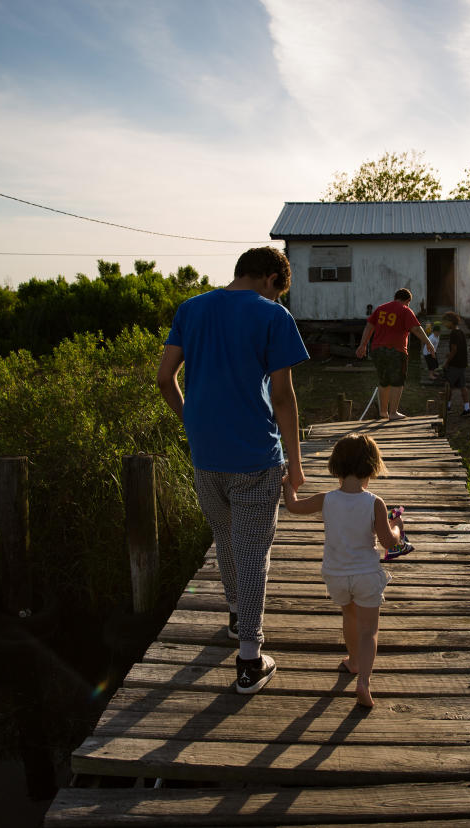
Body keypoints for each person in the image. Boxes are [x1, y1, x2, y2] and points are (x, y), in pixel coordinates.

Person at [156, 246, 309, 695]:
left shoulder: (192, 308)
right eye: (278, 292)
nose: (277, 300)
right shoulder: (273, 317)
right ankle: (249, 659)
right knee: (254, 550)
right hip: (256, 456)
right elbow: (283, 397)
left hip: (206, 455)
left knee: (226, 537)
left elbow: (165, 379)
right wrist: (296, 465)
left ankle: (235, 614)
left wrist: (191, 420)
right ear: (269, 279)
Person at [282, 433, 405, 707]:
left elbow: (293, 506)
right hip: (365, 576)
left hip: (336, 574)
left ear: (336, 466)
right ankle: (363, 682)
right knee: (369, 629)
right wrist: (397, 527)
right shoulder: (375, 503)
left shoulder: (326, 499)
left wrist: (288, 485)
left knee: (349, 616)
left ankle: (352, 662)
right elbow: (388, 542)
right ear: (371, 467)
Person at [356, 288, 435, 419]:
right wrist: (428, 343)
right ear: (407, 300)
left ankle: (383, 412)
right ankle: (393, 412)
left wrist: (363, 345)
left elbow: (369, 326)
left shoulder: (381, 308)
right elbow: (416, 329)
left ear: (395, 297)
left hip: (378, 350)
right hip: (396, 350)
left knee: (384, 381)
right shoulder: (405, 310)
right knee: (397, 381)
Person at [439, 311, 470, 417]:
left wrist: (446, 362)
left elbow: (454, 350)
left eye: (445, 322)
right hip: (462, 363)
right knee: (463, 386)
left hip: (455, 364)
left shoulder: (453, 333)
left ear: (450, 322)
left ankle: (447, 407)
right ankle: (467, 409)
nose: (444, 324)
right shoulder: (460, 332)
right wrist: (450, 354)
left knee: (448, 385)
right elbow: (459, 348)